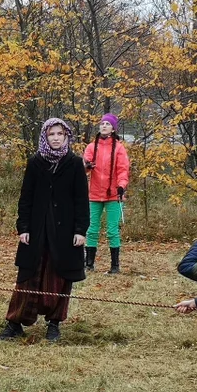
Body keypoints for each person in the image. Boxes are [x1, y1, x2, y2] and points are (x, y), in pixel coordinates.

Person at [0, 118, 89, 343]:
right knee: (28, 276)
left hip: (65, 233)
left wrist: (80, 230)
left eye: (60, 134)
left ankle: (54, 324)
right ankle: (15, 323)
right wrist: (24, 227)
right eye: (51, 135)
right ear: (45, 137)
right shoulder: (36, 162)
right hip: (37, 231)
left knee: (59, 278)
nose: (56, 138)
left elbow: (81, 200)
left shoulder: (75, 163)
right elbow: (25, 198)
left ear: (66, 136)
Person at [83, 113, 129, 274]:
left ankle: (115, 266)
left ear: (113, 128)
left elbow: (123, 170)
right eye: (102, 123)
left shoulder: (119, 148)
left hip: (113, 195)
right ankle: (89, 264)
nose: (104, 126)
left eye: (107, 124)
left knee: (112, 230)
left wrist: (122, 186)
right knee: (91, 229)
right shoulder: (91, 147)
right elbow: (84, 167)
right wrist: (88, 166)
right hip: (94, 194)